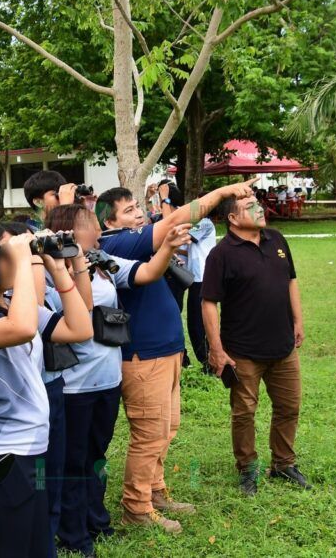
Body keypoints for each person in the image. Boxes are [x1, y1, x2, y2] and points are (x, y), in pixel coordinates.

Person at [95, 178, 255, 533]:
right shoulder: (115, 243)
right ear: (109, 223)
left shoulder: (134, 242)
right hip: (143, 356)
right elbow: (174, 219)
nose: (139, 214)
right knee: (149, 433)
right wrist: (223, 193)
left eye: (138, 207)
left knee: (166, 428)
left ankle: (154, 491)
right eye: (129, 211)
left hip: (165, 351)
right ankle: (136, 508)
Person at [45, 204, 190, 556]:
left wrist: (168, 246)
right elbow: (83, 304)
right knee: (74, 460)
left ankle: (97, 520)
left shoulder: (102, 261)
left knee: (96, 455)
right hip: (74, 382)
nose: (97, 229)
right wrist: (77, 262)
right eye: (90, 224)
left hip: (107, 378)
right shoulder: (51, 274)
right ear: (68, 231)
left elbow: (146, 273)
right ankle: (74, 534)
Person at [0, 222, 93, 557]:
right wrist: (26, 258)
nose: (15, 260)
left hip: (31, 452)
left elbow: (80, 328)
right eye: (6, 254)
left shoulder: (13, 303)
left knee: (39, 549)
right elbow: (23, 329)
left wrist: (56, 267)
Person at [201, 195, 310, 496]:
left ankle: (283, 463)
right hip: (242, 351)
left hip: (283, 346)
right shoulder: (221, 254)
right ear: (233, 219)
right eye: (249, 206)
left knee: (289, 407)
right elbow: (209, 303)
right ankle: (247, 468)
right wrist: (216, 348)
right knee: (244, 412)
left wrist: (298, 321)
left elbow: (291, 281)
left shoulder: (276, 238)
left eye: (258, 203)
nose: (259, 208)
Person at [21, 169, 82, 557]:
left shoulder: (58, 243)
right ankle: (35, 534)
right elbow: (34, 306)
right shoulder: (26, 235)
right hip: (31, 384)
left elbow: (81, 318)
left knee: (55, 465)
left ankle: (52, 533)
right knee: (37, 470)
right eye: (55, 196)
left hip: (54, 377)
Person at [182, 213, 217, 371]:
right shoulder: (200, 224)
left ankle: (209, 362)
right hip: (195, 278)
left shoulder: (205, 223)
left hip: (202, 278)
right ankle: (207, 361)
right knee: (195, 322)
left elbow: (185, 238)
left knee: (197, 323)